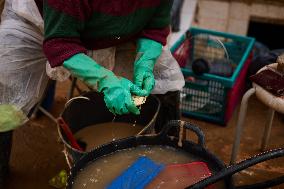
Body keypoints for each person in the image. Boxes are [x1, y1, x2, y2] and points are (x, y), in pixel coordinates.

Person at [43, 0, 185, 132]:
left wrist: (146, 62)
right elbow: (60, 42)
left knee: (165, 81)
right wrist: (104, 79)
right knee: (22, 96)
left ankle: (169, 141)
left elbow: (156, 25)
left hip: (128, 27)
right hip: (56, 23)